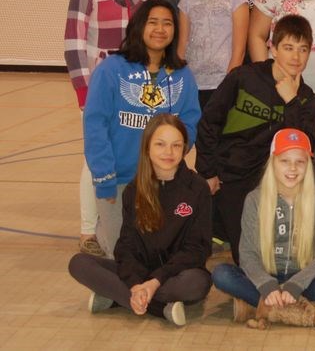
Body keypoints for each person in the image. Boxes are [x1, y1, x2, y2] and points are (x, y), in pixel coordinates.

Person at [64, 0, 158, 257]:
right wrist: (85, 94)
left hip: (138, 94)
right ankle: (90, 231)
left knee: (136, 158)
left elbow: (156, 40)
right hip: (100, 93)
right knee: (96, 159)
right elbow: (74, 44)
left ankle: (133, 225)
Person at [68, 114, 212, 327]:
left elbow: (198, 249)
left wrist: (155, 281)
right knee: (79, 263)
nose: (168, 152)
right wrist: (136, 283)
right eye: (160, 144)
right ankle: (160, 308)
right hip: (140, 271)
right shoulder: (134, 190)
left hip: (175, 274)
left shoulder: (197, 188)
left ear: (184, 149)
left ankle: (117, 296)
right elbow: (126, 245)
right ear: (147, 148)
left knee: (198, 284)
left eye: (176, 145)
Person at [83, 0, 201, 256]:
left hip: (163, 181)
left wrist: (174, 157)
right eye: (153, 22)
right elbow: (95, 125)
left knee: (157, 254)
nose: (160, 29)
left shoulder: (181, 75)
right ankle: (105, 240)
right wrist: (104, 178)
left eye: (167, 24)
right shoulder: (112, 69)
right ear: (139, 26)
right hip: (120, 180)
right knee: (121, 254)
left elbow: (190, 121)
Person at [196, 14, 315, 264]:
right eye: (288, 48)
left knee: (279, 256)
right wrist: (208, 171)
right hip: (235, 178)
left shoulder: (305, 97)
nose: (296, 57)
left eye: (303, 50)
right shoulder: (244, 78)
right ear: (272, 47)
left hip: (278, 182)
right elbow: (209, 123)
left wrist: (291, 101)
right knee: (249, 258)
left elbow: (304, 146)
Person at [212, 129, 315, 331]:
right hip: (264, 276)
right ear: (273, 162)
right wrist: (266, 285)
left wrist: (296, 284)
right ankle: (301, 310)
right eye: (285, 161)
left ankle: (261, 307)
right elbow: (247, 253)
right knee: (221, 274)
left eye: (300, 162)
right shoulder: (255, 199)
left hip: (304, 279)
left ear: (308, 165)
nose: (292, 168)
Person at [177, 0, 249, 108]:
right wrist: (178, 80)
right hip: (191, 83)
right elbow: (182, 45)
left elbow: (239, 50)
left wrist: (229, 87)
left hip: (221, 83)